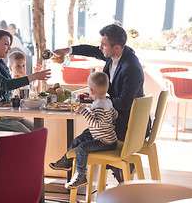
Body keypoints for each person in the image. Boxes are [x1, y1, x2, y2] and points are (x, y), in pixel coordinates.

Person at [54, 23, 145, 182]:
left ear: (116, 47)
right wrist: (68, 50)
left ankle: (116, 166)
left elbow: (124, 103)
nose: (100, 47)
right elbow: (92, 50)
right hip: (115, 118)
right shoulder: (115, 54)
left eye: (103, 44)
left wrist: (100, 102)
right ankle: (70, 160)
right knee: (85, 136)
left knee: (89, 137)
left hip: (128, 124)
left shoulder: (132, 68)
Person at [50, 72, 118, 189]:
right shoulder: (107, 101)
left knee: (82, 148)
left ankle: (80, 175)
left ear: (91, 91)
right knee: (80, 139)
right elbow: (114, 115)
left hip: (105, 142)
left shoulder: (99, 106)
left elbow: (96, 124)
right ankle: (66, 160)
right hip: (105, 137)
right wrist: (93, 111)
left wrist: (84, 111)